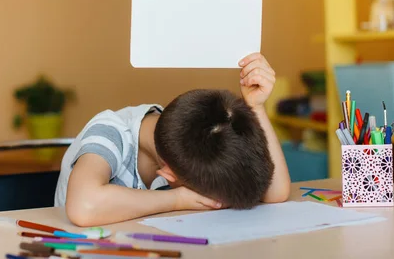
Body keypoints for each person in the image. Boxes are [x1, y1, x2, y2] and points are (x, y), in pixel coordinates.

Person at [54, 52, 290, 226]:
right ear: (169, 175)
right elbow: (83, 206)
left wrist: (255, 108)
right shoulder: (111, 131)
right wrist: (175, 199)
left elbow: (276, 192)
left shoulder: (191, 136)